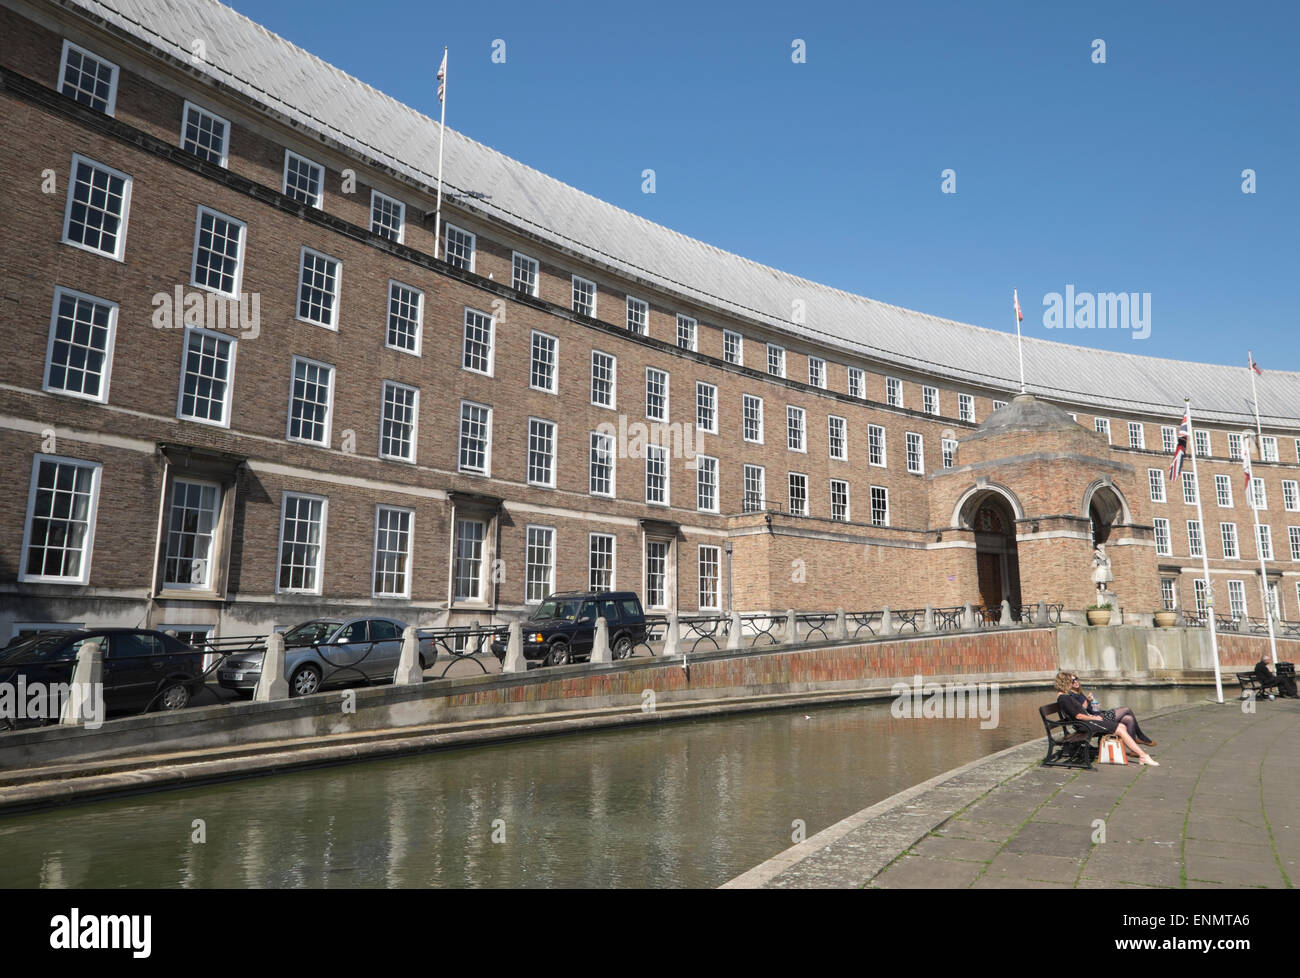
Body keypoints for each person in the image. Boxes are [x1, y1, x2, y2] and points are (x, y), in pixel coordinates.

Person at [1054, 672, 1159, 766]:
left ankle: (1141, 755)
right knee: (1120, 727)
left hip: (1087, 722)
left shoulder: (1065, 697)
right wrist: (1093, 717)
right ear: (1064, 683)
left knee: (1122, 726)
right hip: (1085, 725)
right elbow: (1078, 716)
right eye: (1070, 681)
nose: (1072, 683)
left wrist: (1091, 714)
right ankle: (1143, 756)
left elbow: (1079, 712)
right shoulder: (1064, 698)